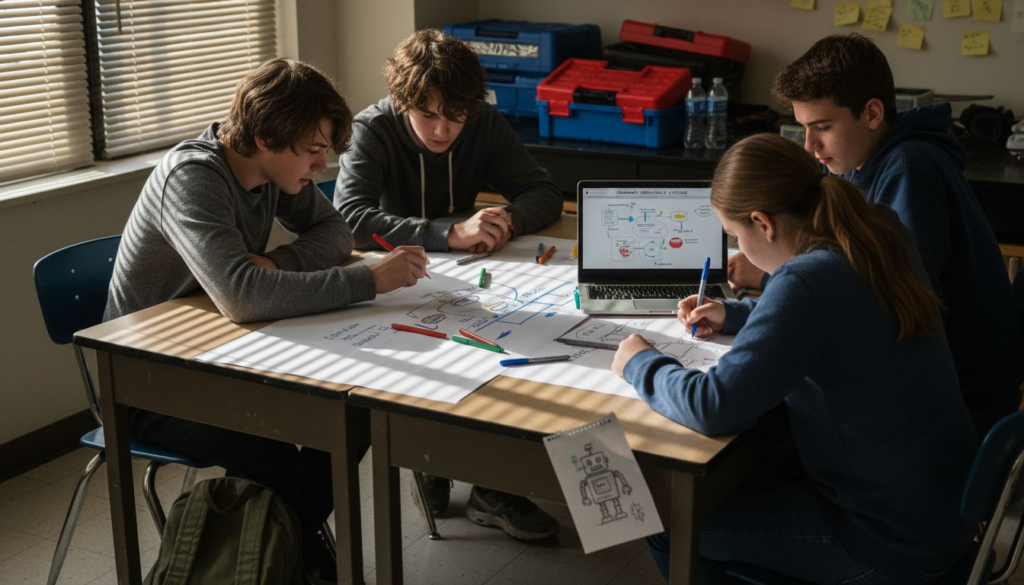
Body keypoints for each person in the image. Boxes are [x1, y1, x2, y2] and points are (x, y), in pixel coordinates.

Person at [104, 58, 428, 582]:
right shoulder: (193, 177)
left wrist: (276, 264)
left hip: (221, 354)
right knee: (274, 456)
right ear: (265, 137)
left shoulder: (269, 169)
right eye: (313, 150)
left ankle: (282, 556)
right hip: (146, 381)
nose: (321, 166)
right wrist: (367, 281)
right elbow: (242, 297)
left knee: (354, 420)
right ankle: (295, 559)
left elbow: (335, 234)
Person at [612, 133, 978, 583]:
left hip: (884, 538)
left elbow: (714, 405)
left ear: (762, 223)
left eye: (735, 236)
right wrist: (734, 312)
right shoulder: (878, 229)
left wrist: (639, 361)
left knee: (665, 520)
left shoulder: (806, 281)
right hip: (943, 509)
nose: (739, 247)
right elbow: (835, 314)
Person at [729, 33, 1022, 436]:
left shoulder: (909, 169)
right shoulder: (858, 162)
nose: (810, 145)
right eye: (803, 128)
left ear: (871, 113)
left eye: (822, 127)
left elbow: (882, 300)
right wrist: (744, 306)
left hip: (963, 401)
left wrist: (769, 278)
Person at [334, 29, 563, 541]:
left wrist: (505, 221)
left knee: (507, 353)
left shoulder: (480, 121)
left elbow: (542, 191)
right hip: (394, 284)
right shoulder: (371, 129)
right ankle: (433, 463)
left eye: (455, 116)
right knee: (440, 361)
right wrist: (449, 233)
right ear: (401, 100)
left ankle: (491, 485)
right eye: (428, 115)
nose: (443, 130)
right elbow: (348, 219)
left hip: (471, 279)